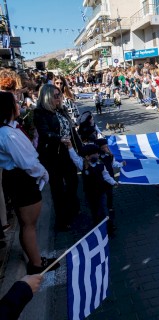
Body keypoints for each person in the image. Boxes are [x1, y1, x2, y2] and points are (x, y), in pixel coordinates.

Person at [0, 91, 59, 274]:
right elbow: (25, 161)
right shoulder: (8, 134)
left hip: (19, 179)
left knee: (28, 224)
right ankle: (36, 264)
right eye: (15, 103)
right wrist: (41, 172)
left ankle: (33, 258)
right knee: (29, 224)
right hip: (21, 180)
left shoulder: (10, 129)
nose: (19, 105)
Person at [34, 84, 82, 231]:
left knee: (73, 182)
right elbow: (44, 133)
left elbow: (72, 131)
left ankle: (73, 209)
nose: (59, 98)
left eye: (59, 95)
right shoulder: (40, 112)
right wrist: (60, 138)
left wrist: (80, 148)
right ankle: (62, 220)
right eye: (56, 96)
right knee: (58, 189)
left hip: (67, 152)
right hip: (52, 156)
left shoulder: (61, 109)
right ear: (47, 97)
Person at [65, 142, 117, 226]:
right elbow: (74, 157)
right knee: (94, 210)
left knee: (104, 208)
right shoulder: (83, 165)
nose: (97, 155)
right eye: (95, 154)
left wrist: (113, 182)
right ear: (87, 157)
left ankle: (108, 225)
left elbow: (106, 175)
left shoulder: (101, 165)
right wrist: (70, 146)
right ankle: (97, 224)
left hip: (101, 192)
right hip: (90, 193)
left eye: (97, 153)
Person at [95, 138, 125, 233]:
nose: (106, 148)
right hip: (102, 182)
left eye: (106, 147)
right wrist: (114, 182)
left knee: (109, 195)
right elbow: (105, 174)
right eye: (103, 147)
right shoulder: (97, 158)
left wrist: (121, 164)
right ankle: (107, 221)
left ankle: (110, 207)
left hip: (110, 180)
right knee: (103, 200)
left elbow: (113, 164)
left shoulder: (109, 156)